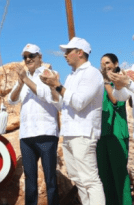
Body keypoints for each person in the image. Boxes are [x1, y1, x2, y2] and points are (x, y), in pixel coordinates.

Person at [40, 37, 105, 205]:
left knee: (90, 180)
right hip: (70, 134)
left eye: (68, 51)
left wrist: (58, 85)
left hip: (83, 133)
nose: (65, 55)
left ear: (80, 53)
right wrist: (52, 86)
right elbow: (63, 106)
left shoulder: (92, 73)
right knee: (79, 180)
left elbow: (79, 102)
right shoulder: (71, 76)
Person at [8, 44, 59, 205]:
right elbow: (12, 99)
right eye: (25, 57)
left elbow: (45, 95)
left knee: (50, 178)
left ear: (40, 57)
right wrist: (21, 82)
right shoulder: (24, 77)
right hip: (26, 135)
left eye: (31, 55)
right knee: (30, 177)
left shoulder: (48, 74)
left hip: (46, 133)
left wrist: (26, 80)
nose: (28, 59)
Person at [97, 53, 132, 205]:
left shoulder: (121, 81)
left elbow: (117, 101)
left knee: (120, 176)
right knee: (104, 177)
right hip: (101, 135)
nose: (105, 66)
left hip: (117, 134)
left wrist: (106, 82)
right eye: (102, 63)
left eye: (108, 62)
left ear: (116, 64)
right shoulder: (98, 83)